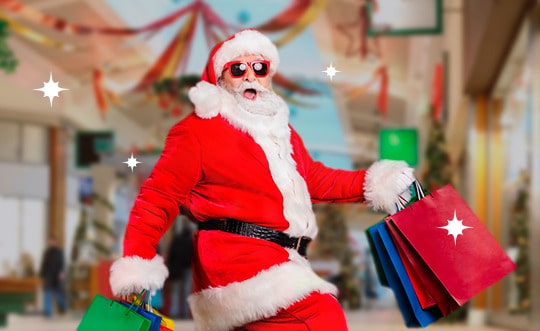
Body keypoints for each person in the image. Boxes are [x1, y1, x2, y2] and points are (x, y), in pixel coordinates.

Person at [109, 29, 415, 331]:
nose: (250, 76)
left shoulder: (283, 133)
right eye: (238, 69)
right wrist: (137, 261)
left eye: (260, 67)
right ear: (220, 80)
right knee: (321, 315)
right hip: (235, 263)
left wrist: (377, 181)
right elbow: (158, 196)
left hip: (279, 257)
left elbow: (315, 180)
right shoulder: (198, 131)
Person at [166, 223, 193, 318]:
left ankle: (173, 312)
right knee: (186, 291)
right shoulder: (191, 241)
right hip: (187, 268)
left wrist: (171, 266)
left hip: (176, 269)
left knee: (175, 291)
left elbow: (171, 255)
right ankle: (185, 313)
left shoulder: (177, 240)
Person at [39, 235, 67, 318]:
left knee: (59, 294)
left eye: (52, 241)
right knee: (47, 293)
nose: (51, 243)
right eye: (49, 241)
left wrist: (61, 273)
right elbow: (44, 264)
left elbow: (62, 263)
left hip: (57, 275)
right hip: (48, 275)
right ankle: (48, 311)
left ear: (55, 242)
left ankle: (63, 307)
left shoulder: (59, 252)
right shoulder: (46, 252)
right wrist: (42, 274)